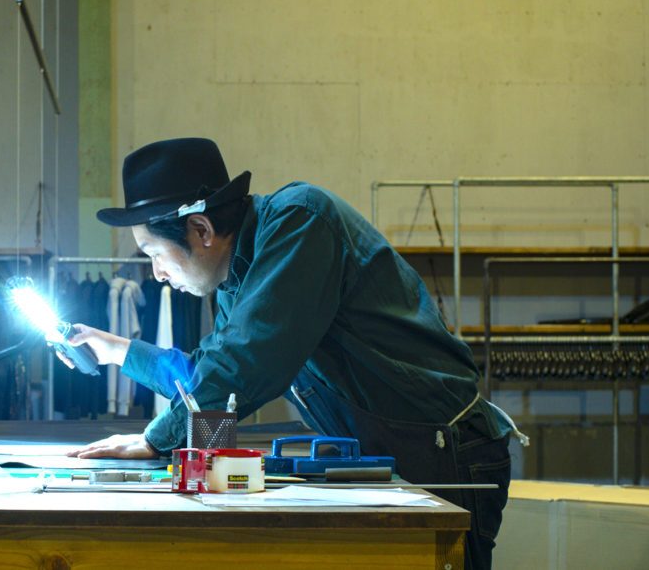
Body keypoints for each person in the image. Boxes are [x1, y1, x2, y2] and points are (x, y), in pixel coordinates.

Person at [60, 137, 524, 570]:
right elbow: (210, 378)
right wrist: (116, 351)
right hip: (385, 454)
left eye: (153, 253)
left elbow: (244, 365)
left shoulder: (302, 221)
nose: (156, 273)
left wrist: (157, 440)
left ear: (200, 228)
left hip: (444, 451)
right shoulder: (238, 277)